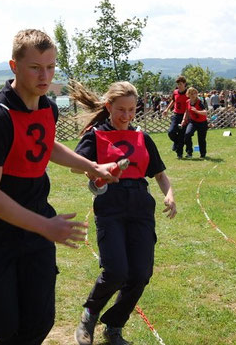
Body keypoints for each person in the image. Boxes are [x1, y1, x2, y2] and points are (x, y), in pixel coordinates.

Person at [0, 29, 117, 345]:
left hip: (38, 227)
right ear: (14, 66)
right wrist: (47, 226)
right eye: (35, 67)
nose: (45, 76)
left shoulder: (47, 108)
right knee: (2, 326)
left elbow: (45, 144)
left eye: (51, 67)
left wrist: (92, 166)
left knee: (38, 323)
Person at [69, 80, 177, 345]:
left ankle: (114, 326)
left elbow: (160, 175)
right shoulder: (96, 135)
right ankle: (89, 314)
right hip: (110, 209)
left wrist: (169, 194)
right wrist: (97, 170)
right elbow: (76, 165)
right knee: (116, 271)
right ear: (108, 106)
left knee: (140, 274)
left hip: (140, 209)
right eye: (121, 110)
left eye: (131, 110)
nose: (126, 116)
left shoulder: (142, 137)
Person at [162, 76, 188, 159]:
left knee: (181, 135)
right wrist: (167, 109)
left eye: (180, 84)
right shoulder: (175, 92)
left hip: (185, 116)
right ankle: (177, 143)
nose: (179, 86)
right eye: (178, 84)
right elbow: (173, 101)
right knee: (171, 132)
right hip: (176, 115)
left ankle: (179, 154)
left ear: (184, 84)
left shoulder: (188, 93)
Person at [181, 87, 209, 158]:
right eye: (191, 93)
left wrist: (197, 111)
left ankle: (202, 154)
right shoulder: (187, 102)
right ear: (188, 94)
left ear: (196, 94)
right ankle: (189, 153)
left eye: (194, 93)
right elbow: (187, 111)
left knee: (201, 139)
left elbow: (205, 112)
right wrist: (184, 120)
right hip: (193, 122)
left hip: (202, 122)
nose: (193, 95)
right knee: (187, 134)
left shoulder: (200, 102)